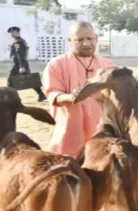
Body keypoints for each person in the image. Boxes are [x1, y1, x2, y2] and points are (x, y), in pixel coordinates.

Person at [42, 21, 115, 159]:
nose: (86, 43)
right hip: (70, 132)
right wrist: (70, 97)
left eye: (89, 39)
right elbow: (53, 94)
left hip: (102, 131)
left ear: (96, 38)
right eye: (80, 40)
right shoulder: (56, 65)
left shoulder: (108, 65)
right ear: (70, 41)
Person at [7, 26, 47, 102]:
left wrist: (21, 66)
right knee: (29, 80)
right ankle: (41, 94)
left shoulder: (18, 42)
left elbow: (20, 54)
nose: (11, 34)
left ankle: (10, 98)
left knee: (10, 80)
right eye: (11, 32)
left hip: (18, 65)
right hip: (20, 64)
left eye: (13, 32)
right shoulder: (19, 41)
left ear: (18, 32)